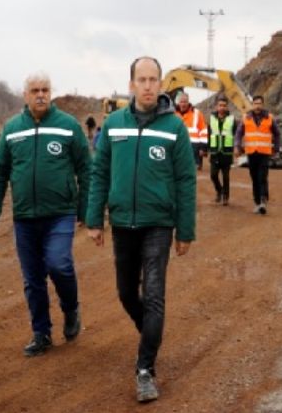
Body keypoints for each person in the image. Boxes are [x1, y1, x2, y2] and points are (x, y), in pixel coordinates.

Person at [85, 56, 196, 403]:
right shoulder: (113, 124)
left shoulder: (174, 127)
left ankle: (145, 369)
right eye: (142, 79)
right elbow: (99, 172)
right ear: (131, 84)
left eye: (153, 80)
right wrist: (94, 219)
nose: (148, 86)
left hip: (159, 224)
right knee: (125, 293)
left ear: (161, 84)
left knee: (155, 295)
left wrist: (185, 230)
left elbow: (185, 180)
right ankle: (150, 332)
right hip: (122, 223)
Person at [0, 73, 90, 357]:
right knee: (32, 278)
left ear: (51, 92)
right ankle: (41, 333)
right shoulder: (12, 130)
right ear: (25, 94)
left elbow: (86, 167)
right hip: (24, 217)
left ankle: (71, 310)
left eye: (45, 89)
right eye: (35, 90)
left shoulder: (68, 126)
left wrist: (86, 208)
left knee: (59, 264)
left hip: (60, 213)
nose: (40, 95)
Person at [234, 95, 281, 215]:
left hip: (264, 153)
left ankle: (263, 201)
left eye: (259, 103)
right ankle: (257, 202)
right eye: (255, 103)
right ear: (252, 104)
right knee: (254, 178)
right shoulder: (246, 118)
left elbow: (277, 134)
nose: (257, 106)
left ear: (263, 104)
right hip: (251, 152)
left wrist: (276, 148)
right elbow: (239, 133)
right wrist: (237, 146)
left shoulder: (269, 118)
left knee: (262, 177)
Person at [207, 95, 236, 206]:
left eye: (224, 105)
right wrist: (208, 150)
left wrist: (236, 148)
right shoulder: (212, 119)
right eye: (220, 105)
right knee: (213, 175)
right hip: (215, 152)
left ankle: (226, 197)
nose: (222, 107)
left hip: (226, 152)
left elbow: (235, 135)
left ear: (227, 107)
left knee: (226, 176)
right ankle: (219, 191)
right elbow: (209, 135)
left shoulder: (232, 119)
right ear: (216, 106)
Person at [174, 91, 208, 171]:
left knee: (194, 171)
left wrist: (203, 148)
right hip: (178, 147)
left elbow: (203, 130)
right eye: (181, 102)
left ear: (188, 102)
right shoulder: (173, 114)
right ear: (178, 103)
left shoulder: (197, 113)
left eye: (185, 102)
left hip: (194, 148)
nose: (183, 104)